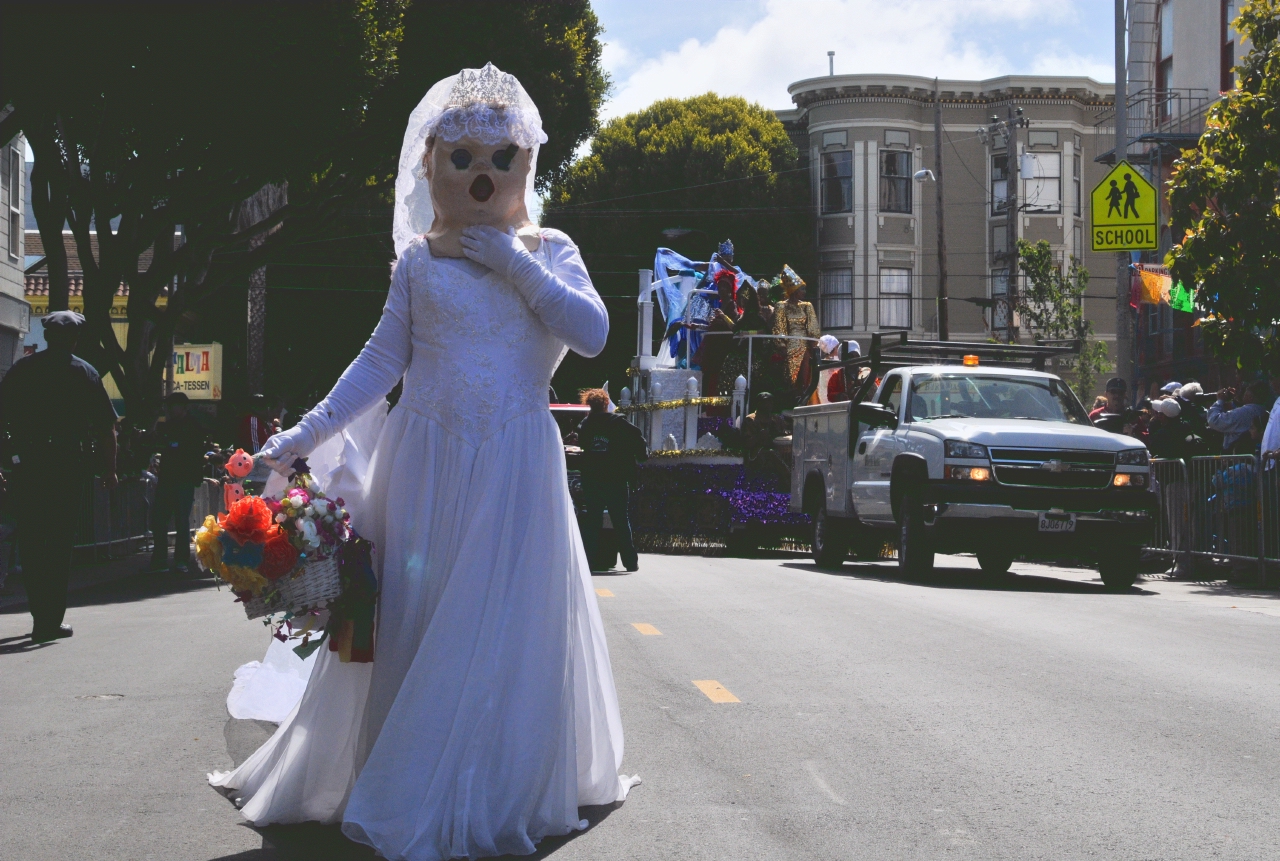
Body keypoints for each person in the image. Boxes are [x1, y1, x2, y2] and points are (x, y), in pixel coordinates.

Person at [210, 63, 635, 859]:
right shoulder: (418, 264)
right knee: (424, 623)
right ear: (433, 163)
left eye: (499, 157)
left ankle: (496, 780)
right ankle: (413, 773)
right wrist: (298, 436)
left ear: (526, 162)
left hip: (517, 467)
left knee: (507, 627)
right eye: (462, 157)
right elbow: (377, 366)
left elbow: (592, 333)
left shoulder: (552, 249)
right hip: (427, 465)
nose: (481, 174)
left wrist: (511, 260)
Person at [0, 311, 117, 643]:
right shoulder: (86, 372)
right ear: (75, 340)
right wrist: (109, 470)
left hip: (28, 466)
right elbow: (107, 429)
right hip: (68, 466)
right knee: (60, 544)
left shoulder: (23, 369)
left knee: (33, 542)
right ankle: (51, 619)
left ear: (47, 336)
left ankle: (40, 616)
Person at [576, 388, 647, 573]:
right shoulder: (619, 424)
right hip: (616, 479)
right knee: (621, 521)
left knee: (593, 522)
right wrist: (640, 456)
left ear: (589, 405)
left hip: (593, 480)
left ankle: (589, 561)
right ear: (607, 403)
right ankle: (630, 562)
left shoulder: (586, 425)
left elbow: (580, 446)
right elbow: (638, 440)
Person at [148, 392, 208, 572]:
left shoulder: (193, 426)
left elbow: (196, 453)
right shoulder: (167, 426)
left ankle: (181, 560)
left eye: (173, 405)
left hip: (184, 479)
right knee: (159, 519)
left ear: (183, 407)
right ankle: (160, 560)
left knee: (182, 520)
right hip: (167, 477)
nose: (169, 409)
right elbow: (156, 442)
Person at [1207, 380, 1270, 453]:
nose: (1242, 393)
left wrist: (1220, 400)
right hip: (1246, 455)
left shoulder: (1246, 411)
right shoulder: (1262, 410)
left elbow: (1214, 420)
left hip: (1235, 456)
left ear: (1251, 397)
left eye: (1245, 391)